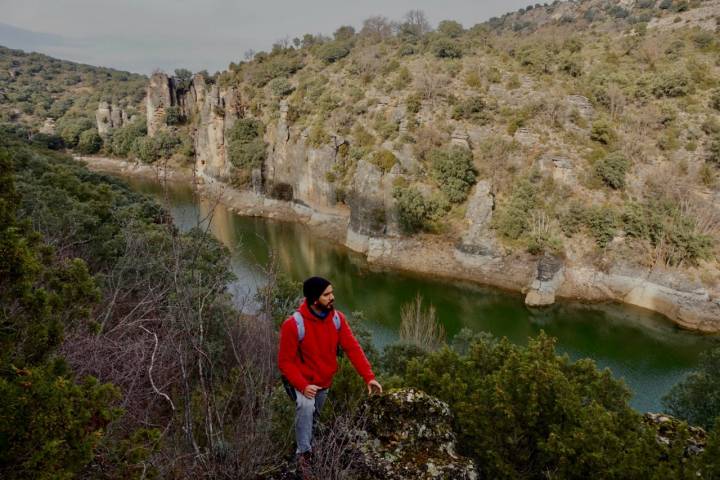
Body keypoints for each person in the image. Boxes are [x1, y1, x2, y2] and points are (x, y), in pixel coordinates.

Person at [278, 276, 382, 469]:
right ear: (314, 299)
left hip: (324, 381)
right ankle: (303, 455)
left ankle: (308, 444)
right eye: (327, 294)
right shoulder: (293, 324)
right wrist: (303, 385)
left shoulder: (337, 319)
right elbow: (285, 362)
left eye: (332, 292)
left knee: (314, 417)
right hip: (301, 380)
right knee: (306, 407)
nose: (332, 297)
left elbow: (352, 348)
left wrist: (369, 377)